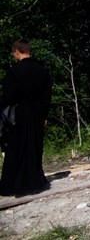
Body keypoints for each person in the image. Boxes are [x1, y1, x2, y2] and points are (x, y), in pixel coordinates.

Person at [0, 40, 52, 197]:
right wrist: (44, 115)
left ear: (17, 51)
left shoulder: (14, 71)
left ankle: (13, 185)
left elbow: (8, 96)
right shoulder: (42, 71)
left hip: (19, 113)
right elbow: (47, 96)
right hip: (37, 114)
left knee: (16, 148)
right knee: (34, 148)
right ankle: (34, 183)